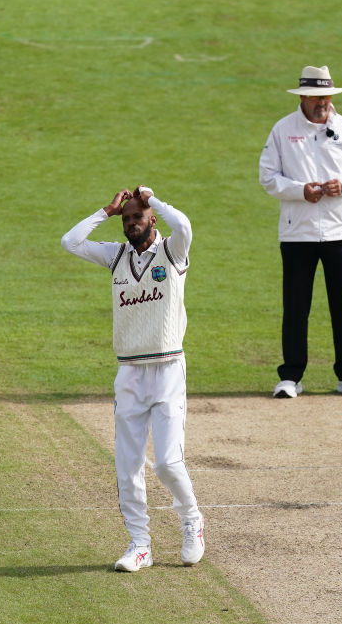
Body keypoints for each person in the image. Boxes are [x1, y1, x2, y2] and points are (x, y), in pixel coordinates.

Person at [61, 185, 205, 572]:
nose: (131, 225)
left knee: (167, 464)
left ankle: (192, 519)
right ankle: (140, 544)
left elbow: (185, 225)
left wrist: (152, 198)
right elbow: (70, 242)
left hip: (168, 370)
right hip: (129, 373)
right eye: (126, 220)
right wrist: (105, 212)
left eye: (136, 218)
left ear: (151, 219)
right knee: (128, 467)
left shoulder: (172, 252)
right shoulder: (116, 256)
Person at [259, 64, 342, 399]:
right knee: (296, 306)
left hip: (341, 230)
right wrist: (301, 191)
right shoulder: (283, 130)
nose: (321, 102)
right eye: (315, 97)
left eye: (325, 96)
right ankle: (291, 377)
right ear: (303, 98)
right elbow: (268, 177)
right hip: (298, 232)